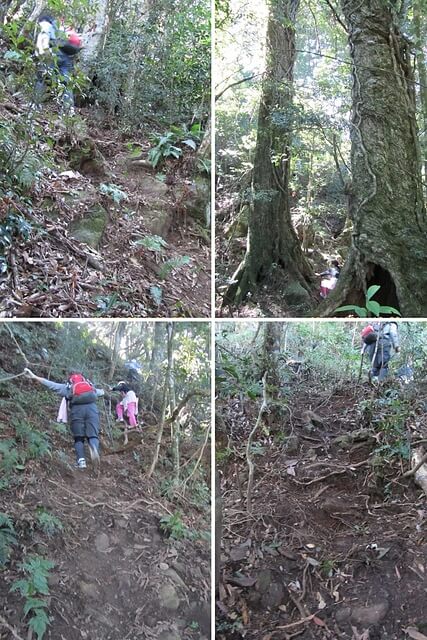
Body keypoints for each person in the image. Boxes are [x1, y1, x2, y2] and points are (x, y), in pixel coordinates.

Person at [24, 368, 104, 469]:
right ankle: (93, 448)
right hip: (92, 409)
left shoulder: (68, 388)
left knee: (78, 438)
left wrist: (34, 376)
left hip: (77, 411)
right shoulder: (90, 386)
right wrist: (105, 391)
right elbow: (100, 392)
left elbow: (51, 385)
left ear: (70, 379)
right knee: (93, 435)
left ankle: (81, 462)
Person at [34, 14, 82, 111]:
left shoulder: (47, 25)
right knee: (66, 83)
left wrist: (41, 54)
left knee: (42, 78)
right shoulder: (62, 28)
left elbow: (44, 41)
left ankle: (36, 104)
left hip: (54, 54)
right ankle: (69, 110)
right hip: (67, 58)